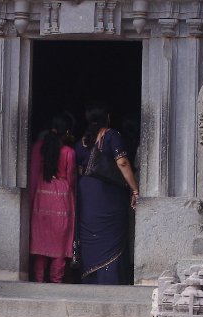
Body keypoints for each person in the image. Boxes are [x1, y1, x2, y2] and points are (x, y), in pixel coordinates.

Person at [74, 106, 139, 285]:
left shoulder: (82, 141)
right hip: (107, 193)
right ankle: (109, 279)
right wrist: (135, 188)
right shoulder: (112, 136)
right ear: (108, 118)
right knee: (110, 235)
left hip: (86, 192)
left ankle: (90, 278)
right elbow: (123, 162)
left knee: (90, 234)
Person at [29, 115, 76, 283]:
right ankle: (57, 282)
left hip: (42, 198)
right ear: (67, 132)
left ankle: (38, 282)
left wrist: (31, 199)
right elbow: (71, 180)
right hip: (62, 200)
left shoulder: (39, 148)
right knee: (60, 246)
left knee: (41, 245)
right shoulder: (69, 152)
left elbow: (33, 176)